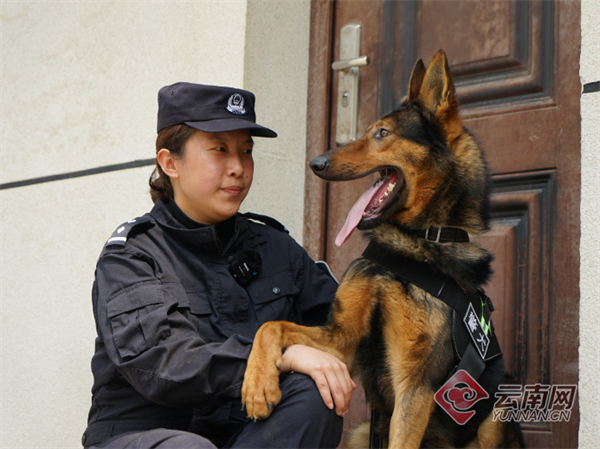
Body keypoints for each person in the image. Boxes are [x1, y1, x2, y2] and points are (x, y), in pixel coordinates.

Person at [81, 82, 355, 449]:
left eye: (246, 151)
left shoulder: (274, 246)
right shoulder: (133, 257)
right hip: (145, 436)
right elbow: (164, 364)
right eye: (219, 150)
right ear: (170, 163)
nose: (238, 168)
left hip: (248, 436)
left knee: (313, 392)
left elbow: (346, 331)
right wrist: (278, 355)